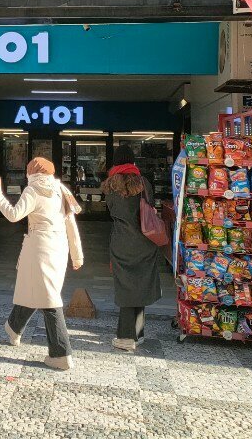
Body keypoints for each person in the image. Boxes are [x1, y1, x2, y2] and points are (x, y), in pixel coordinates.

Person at [0, 157, 84, 370]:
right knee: (36, 289)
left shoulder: (32, 190)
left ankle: (60, 354)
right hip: (59, 248)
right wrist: (77, 255)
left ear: (31, 173)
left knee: (49, 299)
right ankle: (13, 327)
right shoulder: (61, 189)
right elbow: (71, 223)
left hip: (39, 249)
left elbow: (14, 215)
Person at [103, 145, 161, 352]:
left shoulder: (110, 184)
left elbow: (111, 211)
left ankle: (126, 337)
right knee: (141, 284)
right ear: (133, 161)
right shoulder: (143, 183)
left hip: (121, 241)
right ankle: (138, 333)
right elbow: (151, 207)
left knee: (126, 286)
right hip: (145, 240)